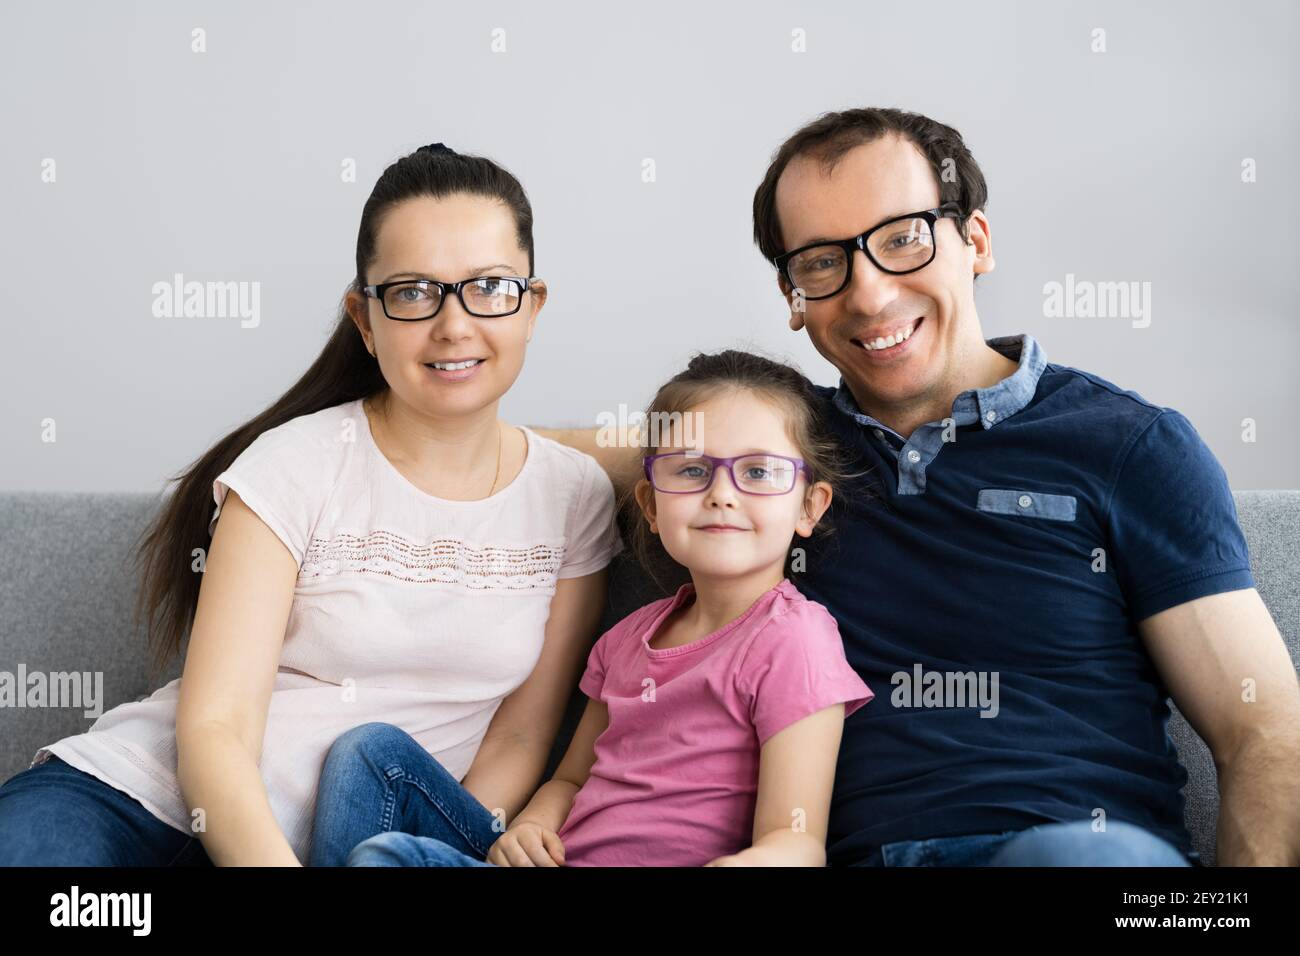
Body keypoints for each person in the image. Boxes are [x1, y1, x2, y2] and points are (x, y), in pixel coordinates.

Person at [537, 108, 1300, 867]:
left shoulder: (1129, 446)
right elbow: (631, 455)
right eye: (822, 262)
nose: (868, 296)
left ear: (974, 241)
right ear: (793, 295)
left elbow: (1263, 732)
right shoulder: (778, 465)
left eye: (903, 239)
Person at [0, 143, 622, 866]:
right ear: (365, 317)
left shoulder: (573, 495)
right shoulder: (295, 463)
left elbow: (519, 737)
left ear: (531, 306)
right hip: (138, 808)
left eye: (488, 286)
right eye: (414, 292)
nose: (454, 325)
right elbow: (216, 727)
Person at [309, 351, 873, 866]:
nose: (722, 493)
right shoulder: (627, 638)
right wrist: (532, 824)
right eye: (692, 470)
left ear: (809, 506)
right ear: (651, 505)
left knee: (385, 859)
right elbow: (571, 780)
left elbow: (795, 841)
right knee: (371, 753)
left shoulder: (793, 640)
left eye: (758, 473)